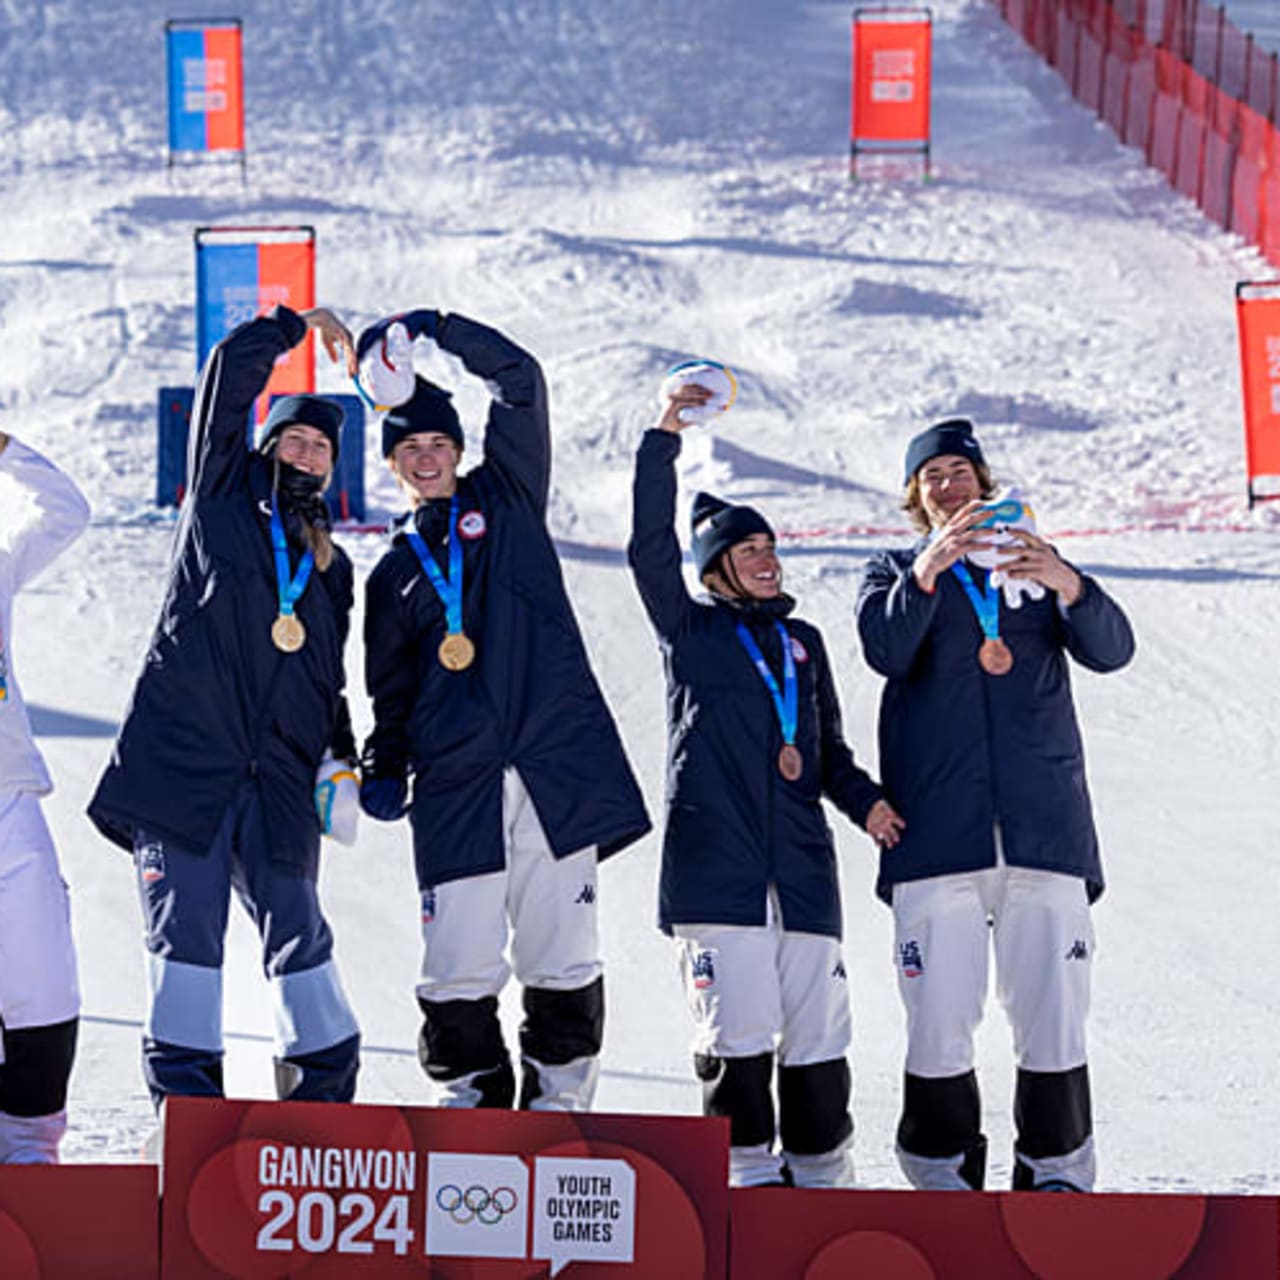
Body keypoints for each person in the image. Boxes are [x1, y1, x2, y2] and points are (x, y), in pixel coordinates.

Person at [357, 307, 650, 1111]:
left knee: (562, 952)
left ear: (460, 450)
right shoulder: (393, 577)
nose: (424, 458)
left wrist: (440, 329)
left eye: (438, 445)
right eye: (408, 449)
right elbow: (392, 690)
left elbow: (522, 383)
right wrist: (384, 760)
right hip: (457, 783)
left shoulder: (510, 499)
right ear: (392, 464)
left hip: (553, 764)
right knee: (457, 957)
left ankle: (560, 1104)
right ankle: (471, 1099)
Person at [627, 381, 904, 1188]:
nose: (766, 558)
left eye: (769, 547)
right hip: (718, 877)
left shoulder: (803, 644)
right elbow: (648, 547)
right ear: (716, 569)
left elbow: (827, 758)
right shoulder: (690, 633)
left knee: (819, 1032)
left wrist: (869, 804)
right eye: (748, 551)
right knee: (736, 1032)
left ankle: (822, 1175)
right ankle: (745, 1180)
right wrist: (662, 439)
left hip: (804, 877)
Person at [88, 306, 363, 1111]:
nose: (307, 451)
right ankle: (185, 1113)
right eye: (294, 438)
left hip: (276, 781)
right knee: (186, 944)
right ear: (267, 442)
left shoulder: (331, 566)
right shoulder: (215, 498)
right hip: (184, 769)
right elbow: (223, 382)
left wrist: (338, 759)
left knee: (299, 933)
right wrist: (290, 328)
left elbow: (324, 680)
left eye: (321, 444)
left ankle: (322, 1102)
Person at [855, 417, 1135, 1193]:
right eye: (930, 478)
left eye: (957, 471)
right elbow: (884, 650)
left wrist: (1069, 581)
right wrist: (926, 573)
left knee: (1052, 1019)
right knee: (940, 1021)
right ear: (916, 498)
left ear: (982, 479)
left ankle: (1057, 1175)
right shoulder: (890, 569)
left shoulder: (1030, 565)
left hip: (1043, 832)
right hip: (937, 834)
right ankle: (940, 1174)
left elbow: (1113, 649)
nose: (947, 486)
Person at [0, 430, 90, 1162]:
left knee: (44, 983)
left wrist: (5, 448)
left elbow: (66, 512)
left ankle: (32, 1151)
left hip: (7, 799)